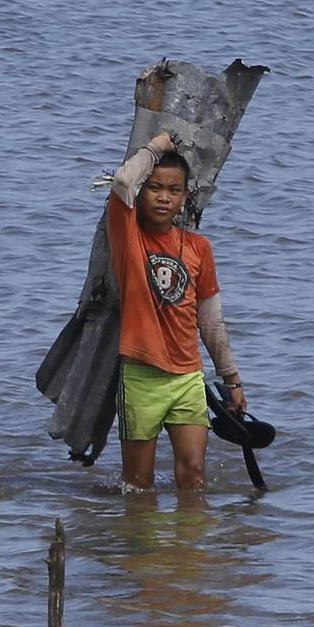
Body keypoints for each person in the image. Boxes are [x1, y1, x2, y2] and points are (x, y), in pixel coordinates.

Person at [107, 131, 247, 491]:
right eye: (154, 187)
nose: (164, 198)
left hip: (187, 378)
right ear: (142, 193)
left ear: (185, 197)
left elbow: (210, 320)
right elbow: (123, 180)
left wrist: (231, 378)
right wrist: (156, 146)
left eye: (174, 190)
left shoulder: (199, 248)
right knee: (138, 486)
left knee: (194, 473)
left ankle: (188, 548)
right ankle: (146, 546)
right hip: (141, 377)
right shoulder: (128, 237)